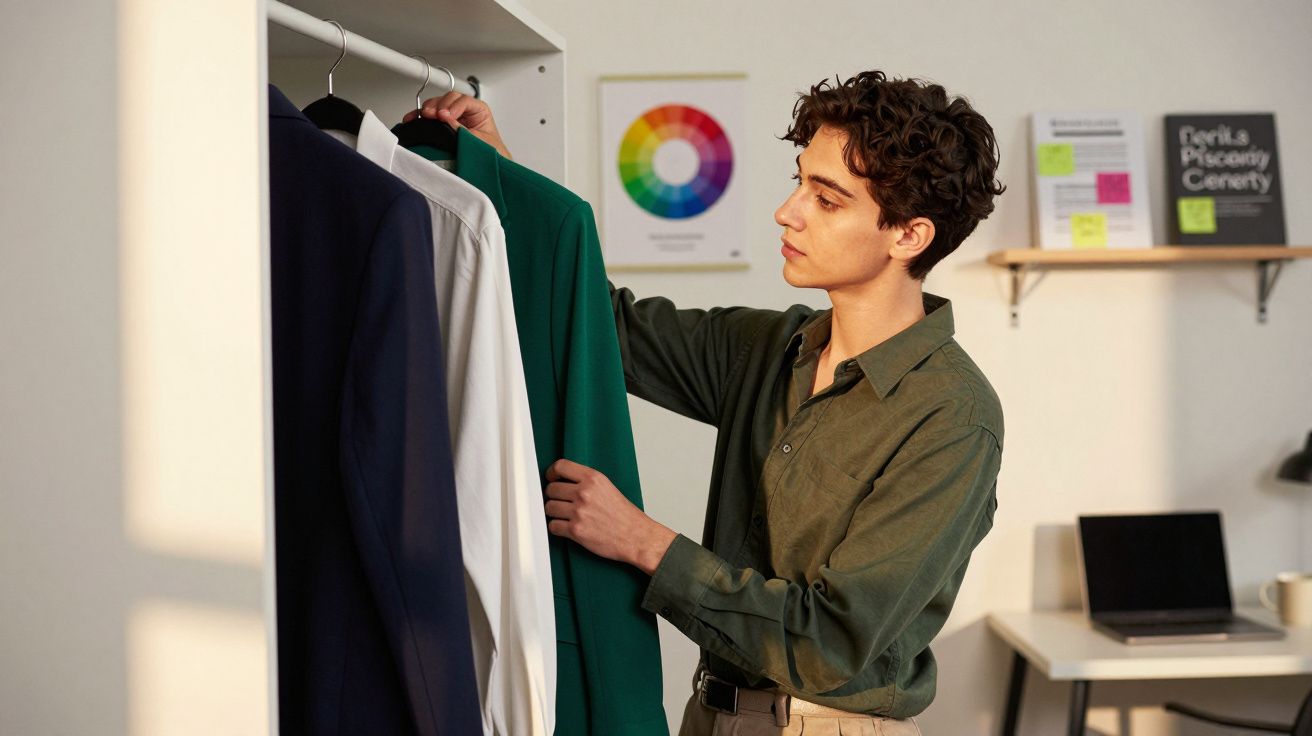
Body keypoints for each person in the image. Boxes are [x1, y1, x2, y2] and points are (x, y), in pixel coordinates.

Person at [410, 69, 1005, 735]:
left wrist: (643, 542)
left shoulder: (954, 417)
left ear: (909, 236)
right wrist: (501, 172)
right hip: (710, 716)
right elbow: (599, 324)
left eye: (827, 200)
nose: (788, 211)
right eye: (799, 181)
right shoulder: (766, 347)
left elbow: (830, 645)